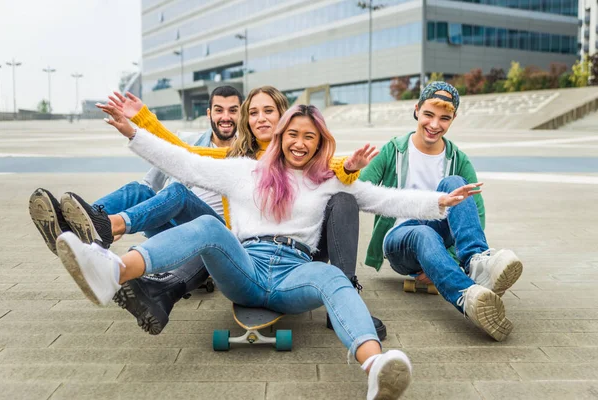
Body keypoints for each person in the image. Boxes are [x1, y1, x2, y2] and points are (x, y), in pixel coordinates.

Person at [55, 103, 478, 399]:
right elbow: (184, 163)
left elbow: (383, 199)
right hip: (245, 267)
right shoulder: (246, 172)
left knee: (333, 276)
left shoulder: (328, 180)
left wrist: (439, 203)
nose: (299, 143)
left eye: (309, 138)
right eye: (292, 134)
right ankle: (112, 270)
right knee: (207, 226)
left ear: (319, 144)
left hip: (296, 275)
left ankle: (375, 367)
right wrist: (135, 132)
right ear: (280, 137)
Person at [97, 87, 388, 339]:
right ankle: (108, 229)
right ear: (246, 120)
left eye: (269, 111)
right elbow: (184, 154)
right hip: (248, 251)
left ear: (284, 117)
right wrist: (142, 121)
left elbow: (337, 165)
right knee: (185, 203)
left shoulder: (305, 151)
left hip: (303, 252)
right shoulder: (237, 158)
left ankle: (348, 302)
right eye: (254, 113)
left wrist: (347, 169)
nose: (261, 118)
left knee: (343, 198)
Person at [28, 85, 243, 333]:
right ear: (209, 113)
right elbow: (151, 182)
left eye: (233, 110)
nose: (225, 117)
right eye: (219, 110)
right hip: (174, 218)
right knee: (139, 189)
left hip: (215, 230)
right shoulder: (190, 141)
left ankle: (101, 228)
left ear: (242, 114)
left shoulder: (246, 154)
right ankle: (80, 227)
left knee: (176, 193)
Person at [359, 81, 523, 342]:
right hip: (399, 241)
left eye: (444, 118)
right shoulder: (394, 150)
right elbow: (360, 186)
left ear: (453, 119)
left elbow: (475, 213)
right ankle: (464, 294)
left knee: (456, 184)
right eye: (428, 115)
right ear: (416, 110)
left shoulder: (458, 158)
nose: (435, 125)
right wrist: (351, 168)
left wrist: (445, 258)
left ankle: (475, 265)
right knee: (422, 231)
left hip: (438, 239)